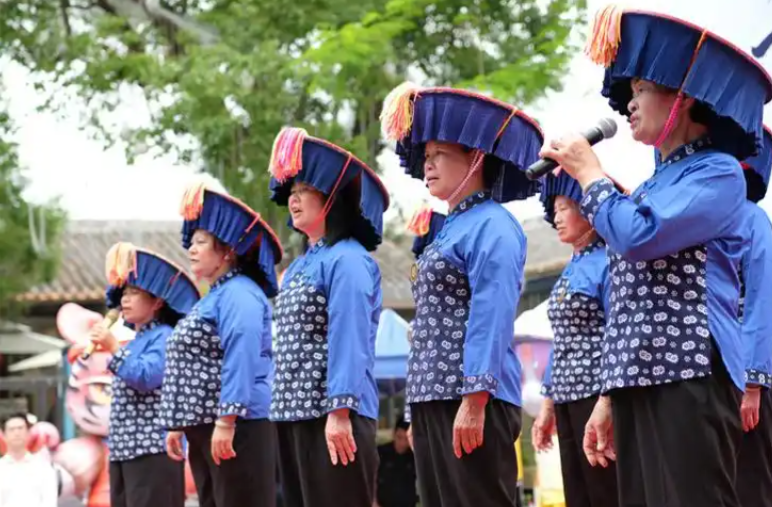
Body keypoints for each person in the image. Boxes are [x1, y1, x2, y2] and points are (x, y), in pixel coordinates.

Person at [540, 6, 772, 507]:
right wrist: (609, 396)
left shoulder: (718, 172)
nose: (629, 102)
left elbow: (638, 236)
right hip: (637, 379)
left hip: (691, 373)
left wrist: (589, 174)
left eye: (642, 88)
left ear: (682, 96)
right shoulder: (652, 185)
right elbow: (626, 305)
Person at [380, 82, 543, 507]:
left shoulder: (494, 224)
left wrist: (475, 397)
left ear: (475, 157)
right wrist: (415, 408)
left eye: (439, 154)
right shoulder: (448, 228)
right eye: (426, 155)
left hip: (471, 396)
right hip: (433, 395)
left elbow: (492, 313)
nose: (428, 164)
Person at [267, 127, 388, 507]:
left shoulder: (348, 259)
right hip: (293, 413)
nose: (294, 198)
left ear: (332, 197)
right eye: (292, 190)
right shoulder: (300, 265)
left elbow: (349, 337)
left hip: (333, 414)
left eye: (305, 189)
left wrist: (340, 409)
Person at [159, 181, 284, 507]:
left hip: (239, 425)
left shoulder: (240, 293)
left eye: (201, 242)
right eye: (192, 242)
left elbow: (241, 355)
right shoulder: (213, 296)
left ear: (227, 251)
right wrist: (178, 423)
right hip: (207, 425)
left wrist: (227, 419)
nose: (191, 249)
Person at [531, 170, 619, 507]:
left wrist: (607, 399)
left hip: (595, 395)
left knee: (605, 492)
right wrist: (548, 404)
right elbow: (561, 341)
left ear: (589, 211)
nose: (556, 217)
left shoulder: (609, 263)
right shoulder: (570, 268)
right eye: (554, 209)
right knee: (577, 493)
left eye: (565, 207)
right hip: (566, 398)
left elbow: (618, 334)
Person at [88, 242, 200, 507]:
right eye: (124, 293)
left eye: (134, 293)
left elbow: (146, 378)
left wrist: (114, 348)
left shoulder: (165, 336)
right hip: (124, 450)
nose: (125, 300)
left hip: (153, 451)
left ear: (157, 301)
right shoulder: (136, 340)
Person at [734, 125, 772, 507]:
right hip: (708, 371)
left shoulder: (753, 220)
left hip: (746, 377)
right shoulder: (698, 223)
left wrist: (753, 383)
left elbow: (762, 301)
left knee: (750, 485)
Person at [0, 413, 57, 507]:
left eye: (20, 428)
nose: (17, 433)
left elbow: (50, 502)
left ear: (28, 433)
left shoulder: (43, 468)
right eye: (11, 429)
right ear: (4, 436)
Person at [375, 417, 418, 507]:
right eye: (399, 437)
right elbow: (370, 480)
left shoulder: (414, 456)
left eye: (406, 439)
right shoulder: (380, 453)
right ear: (393, 434)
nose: (402, 443)